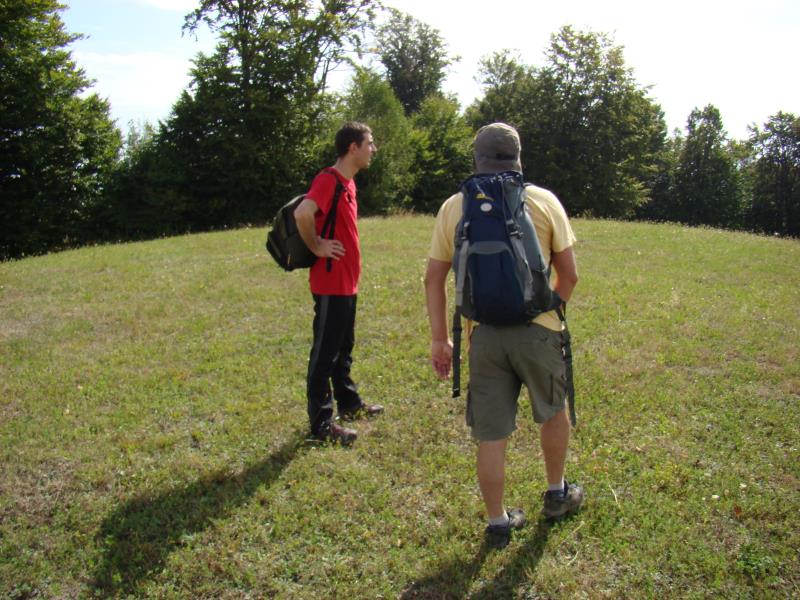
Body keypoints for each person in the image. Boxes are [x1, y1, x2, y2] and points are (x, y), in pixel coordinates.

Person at [424, 122, 584, 547]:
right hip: (539, 329)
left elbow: (433, 278)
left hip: (484, 335)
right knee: (553, 409)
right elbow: (569, 275)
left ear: (476, 158)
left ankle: (497, 522)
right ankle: (556, 493)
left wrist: (440, 339)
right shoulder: (543, 201)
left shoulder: (455, 206)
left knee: (491, 433)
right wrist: (551, 308)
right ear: (518, 157)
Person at [294, 122, 384, 445]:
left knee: (343, 348)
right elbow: (303, 213)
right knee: (324, 354)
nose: (373, 149)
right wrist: (317, 245)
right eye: (369, 143)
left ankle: (348, 403)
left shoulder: (348, 183)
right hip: (330, 283)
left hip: (346, 282)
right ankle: (321, 425)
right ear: (352, 147)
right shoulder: (328, 180)